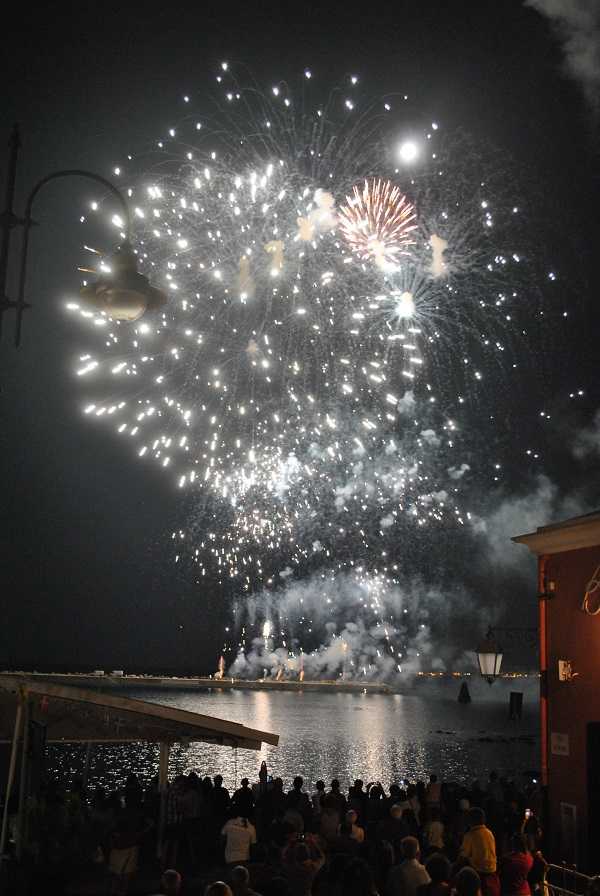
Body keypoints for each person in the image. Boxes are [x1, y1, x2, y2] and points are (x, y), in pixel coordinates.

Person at [459, 808, 499, 896]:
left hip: (478, 874)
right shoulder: (489, 833)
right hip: (492, 873)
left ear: (470, 820)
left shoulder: (470, 835)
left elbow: (463, 856)